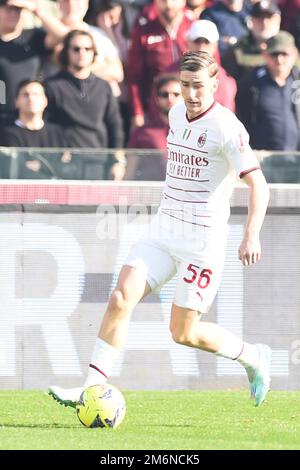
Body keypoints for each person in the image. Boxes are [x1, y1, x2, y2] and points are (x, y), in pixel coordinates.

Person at [49, 51, 271, 408]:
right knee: (121, 297)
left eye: (198, 85)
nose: (191, 93)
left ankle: (253, 356)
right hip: (163, 231)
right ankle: (91, 389)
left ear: (215, 84)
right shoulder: (175, 113)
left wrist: (251, 234)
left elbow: (259, 185)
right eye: (185, 85)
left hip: (202, 242)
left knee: (183, 333)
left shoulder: (227, 128)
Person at [45, 30, 125, 180]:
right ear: (66, 52)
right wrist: (57, 151)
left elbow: (115, 125)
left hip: (99, 162)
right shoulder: (52, 86)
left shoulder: (104, 87)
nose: (82, 53)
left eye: (87, 49)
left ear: (94, 53)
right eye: (76, 49)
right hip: (65, 163)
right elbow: (46, 125)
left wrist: (118, 161)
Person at [126, 73, 182, 180]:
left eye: (176, 94)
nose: (170, 99)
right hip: (151, 192)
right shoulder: (142, 132)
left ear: (184, 97)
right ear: (156, 98)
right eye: (164, 94)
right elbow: (130, 172)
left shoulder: (193, 131)